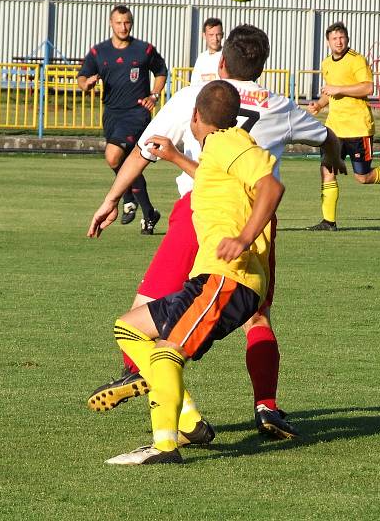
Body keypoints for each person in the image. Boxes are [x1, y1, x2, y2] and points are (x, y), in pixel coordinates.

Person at [86, 24, 346, 440]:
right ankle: (267, 407)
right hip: (254, 221)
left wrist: (112, 199)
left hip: (199, 210)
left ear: (221, 62)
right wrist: (333, 161)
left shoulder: (197, 97)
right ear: (261, 66)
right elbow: (329, 137)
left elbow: (145, 149)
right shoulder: (278, 105)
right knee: (256, 314)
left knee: (146, 310)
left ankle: (153, 385)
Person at [104, 80, 285, 465]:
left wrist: (243, 237)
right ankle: (186, 417)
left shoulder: (229, 142)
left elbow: (271, 187)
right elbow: (212, 179)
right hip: (212, 278)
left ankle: (165, 446)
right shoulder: (220, 150)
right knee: (129, 327)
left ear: (196, 116)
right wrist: (173, 157)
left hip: (227, 278)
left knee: (168, 352)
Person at [306, 21, 380, 231]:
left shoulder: (357, 60)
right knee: (327, 170)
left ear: (347, 39)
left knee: (363, 177)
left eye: (342, 37)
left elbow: (367, 87)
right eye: (334, 39)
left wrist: (339, 89)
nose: (339, 42)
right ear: (328, 42)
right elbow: (328, 92)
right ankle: (328, 222)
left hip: (358, 128)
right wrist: (320, 104)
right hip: (334, 129)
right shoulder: (326, 63)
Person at [77, 4, 168, 235]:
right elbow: (82, 77)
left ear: (132, 23)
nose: (123, 26)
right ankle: (149, 213)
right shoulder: (100, 52)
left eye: (127, 22)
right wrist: (86, 84)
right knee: (128, 163)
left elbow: (161, 71)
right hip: (111, 114)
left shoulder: (143, 50)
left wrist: (154, 95)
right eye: (119, 22)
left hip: (137, 113)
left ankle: (127, 198)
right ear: (111, 23)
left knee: (113, 155)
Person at [189, 17, 224, 85]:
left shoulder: (226, 56)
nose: (215, 39)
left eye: (218, 35)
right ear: (204, 35)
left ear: (222, 35)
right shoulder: (201, 58)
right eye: (211, 35)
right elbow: (194, 84)